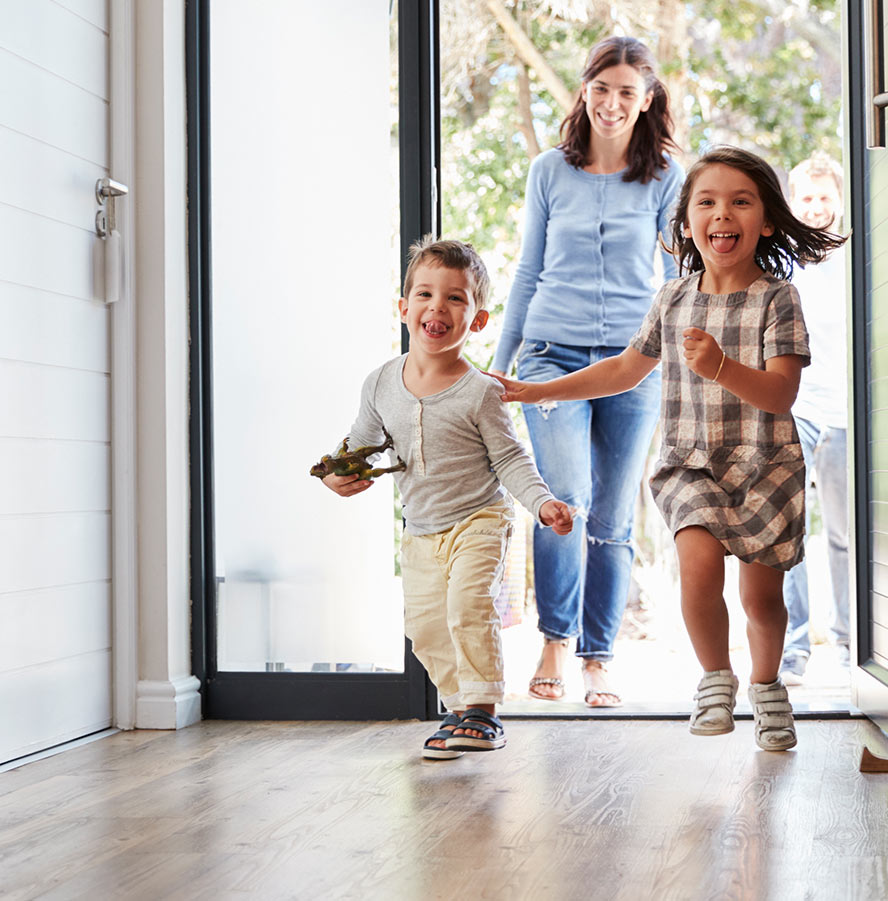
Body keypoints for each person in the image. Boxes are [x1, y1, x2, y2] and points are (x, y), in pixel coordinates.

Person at [493, 146, 847, 751]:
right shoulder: (673, 299)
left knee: (761, 598)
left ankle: (766, 687)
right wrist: (536, 388)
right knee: (698, 569)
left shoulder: (778, 299)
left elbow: (782, 394)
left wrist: (721, 366)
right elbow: (625, 370)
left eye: (740, 201)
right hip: (692, 465)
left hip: (766, 466)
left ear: (765, 220)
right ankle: (715, 678)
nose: (722, 213)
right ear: (685, 224)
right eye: (706, 202)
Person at [322, 236, 575, 760]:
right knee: (426, 626)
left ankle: (483, 712)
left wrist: (542, 502)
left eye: (456, 298)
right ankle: (459, 708)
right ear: (404, 309)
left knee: (467, 606)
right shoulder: (379, 384)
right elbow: (361, 445)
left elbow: (509, 459)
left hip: (478, 518)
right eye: (425, 294)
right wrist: (336, 473)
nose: (437, 306)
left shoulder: (481, 391)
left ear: (477, 320)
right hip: (420, 529)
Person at [488, 36, 685, 708]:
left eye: (626, 92)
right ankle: (553, 640)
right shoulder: (550, 170)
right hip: (550, 356)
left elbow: (677, 278)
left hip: (634, 364)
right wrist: (497, 364)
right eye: (601, 88)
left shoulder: (665, 179)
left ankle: (598, 655)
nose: (611, 103)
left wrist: (681, 359)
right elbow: (527, 269)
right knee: (562, 500)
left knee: (611, 513)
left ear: (646, 99)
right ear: (584, 90)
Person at [778, 152, 852, 685]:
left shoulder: (859, 258)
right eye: (807, 197)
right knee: (790, 532)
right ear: (792, 203)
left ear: (841, 201)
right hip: (796, 408)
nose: (817, 206)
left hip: (848, 412)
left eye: (826, 196)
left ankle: (852, 644)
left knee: (847, 534)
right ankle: (794, 649)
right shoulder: (782, 266)